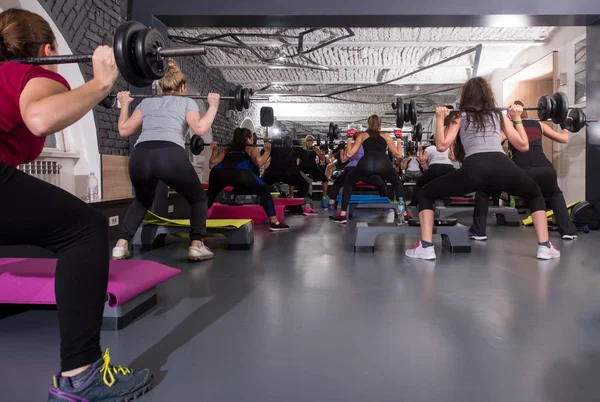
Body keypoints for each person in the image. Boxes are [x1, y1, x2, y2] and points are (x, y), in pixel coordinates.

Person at [0, 8, 153, 401]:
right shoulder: (29, 74)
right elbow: (38, 119)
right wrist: (102, 83)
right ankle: (81, 374)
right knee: (84, 229)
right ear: (48, 50)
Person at [405, 77, 560, 260]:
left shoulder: (459, 117)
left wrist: (440, 119)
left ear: (466, 96)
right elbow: (523, 145)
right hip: (503, 167)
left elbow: (441, 145)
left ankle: (426, 247)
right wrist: (517, 119)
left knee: (425, 193)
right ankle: (544, 246)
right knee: (535, 194)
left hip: (474, 170)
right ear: (488, 95)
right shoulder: (499, 116)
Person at [112, 59, 219, 262]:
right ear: (183, 86)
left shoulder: (147, 102)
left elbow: (124, 130)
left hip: (140, 155)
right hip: (169, 154)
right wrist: (212, 106)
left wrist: (125, 104)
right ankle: (196, 245)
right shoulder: (187, 101)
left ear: (158, 86)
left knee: (142, 199)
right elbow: (199, 129)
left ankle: (121, 245)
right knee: (198, 199)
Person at [470, 99, 578, 240]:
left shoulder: (509, 127)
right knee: (555, 193)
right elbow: (564, 139)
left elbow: (494, 143)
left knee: (484, 190)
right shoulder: (539, 124)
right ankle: (568, 232)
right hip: (545, 169)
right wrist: (566, 125)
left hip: (521, 170)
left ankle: (479, 232)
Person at [207, 128, 290, 231]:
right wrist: (268, 151)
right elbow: (259, 163)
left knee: (210, 196)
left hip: (218, 173)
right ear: (249, 139)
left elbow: (211, 164)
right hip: (240, 174)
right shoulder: (251, 148)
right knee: (263, 189)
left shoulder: (228, 149)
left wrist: (214, 151)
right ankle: (274, 222)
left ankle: (198, 219)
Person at [333, 115, 405, 224]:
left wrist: (349, 138)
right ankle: (403, 213)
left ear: (368, 124)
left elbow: (349, 153)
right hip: (383, 164)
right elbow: (399, 155)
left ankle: (342, 214)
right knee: (397, 183)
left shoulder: (362, 136)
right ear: (380, 125)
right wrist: (399, 139)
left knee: (348, 182)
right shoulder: (386, 136)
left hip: (366, 164)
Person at [325, 131, 388, 212]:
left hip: (351, 168)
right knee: (381, 184)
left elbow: (343, 160)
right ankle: (386, 205)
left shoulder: (350, 146)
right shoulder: (368, 146)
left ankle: (331, 204)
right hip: (364, 169)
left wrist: (343, 149)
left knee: (337, 183)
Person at [261, 134, 318, 215]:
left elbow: (263, 154)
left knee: (260, 184)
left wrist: (266, 142)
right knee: (307, 183)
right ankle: (307, 207)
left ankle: (258, 203)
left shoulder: (274, 143)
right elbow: (305, 157)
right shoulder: (295, 144)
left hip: (274, 172)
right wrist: (304, 144)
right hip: (291, 173)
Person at [408, 127, 456, 208]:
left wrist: (420, 150)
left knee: (420, 184)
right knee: (445, 185)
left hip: (435, 168)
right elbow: (453, 158)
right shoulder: (447, 147)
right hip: (449, 167)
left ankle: (414, 202)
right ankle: (447, 204)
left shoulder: (429, 148)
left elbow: (422, 161)